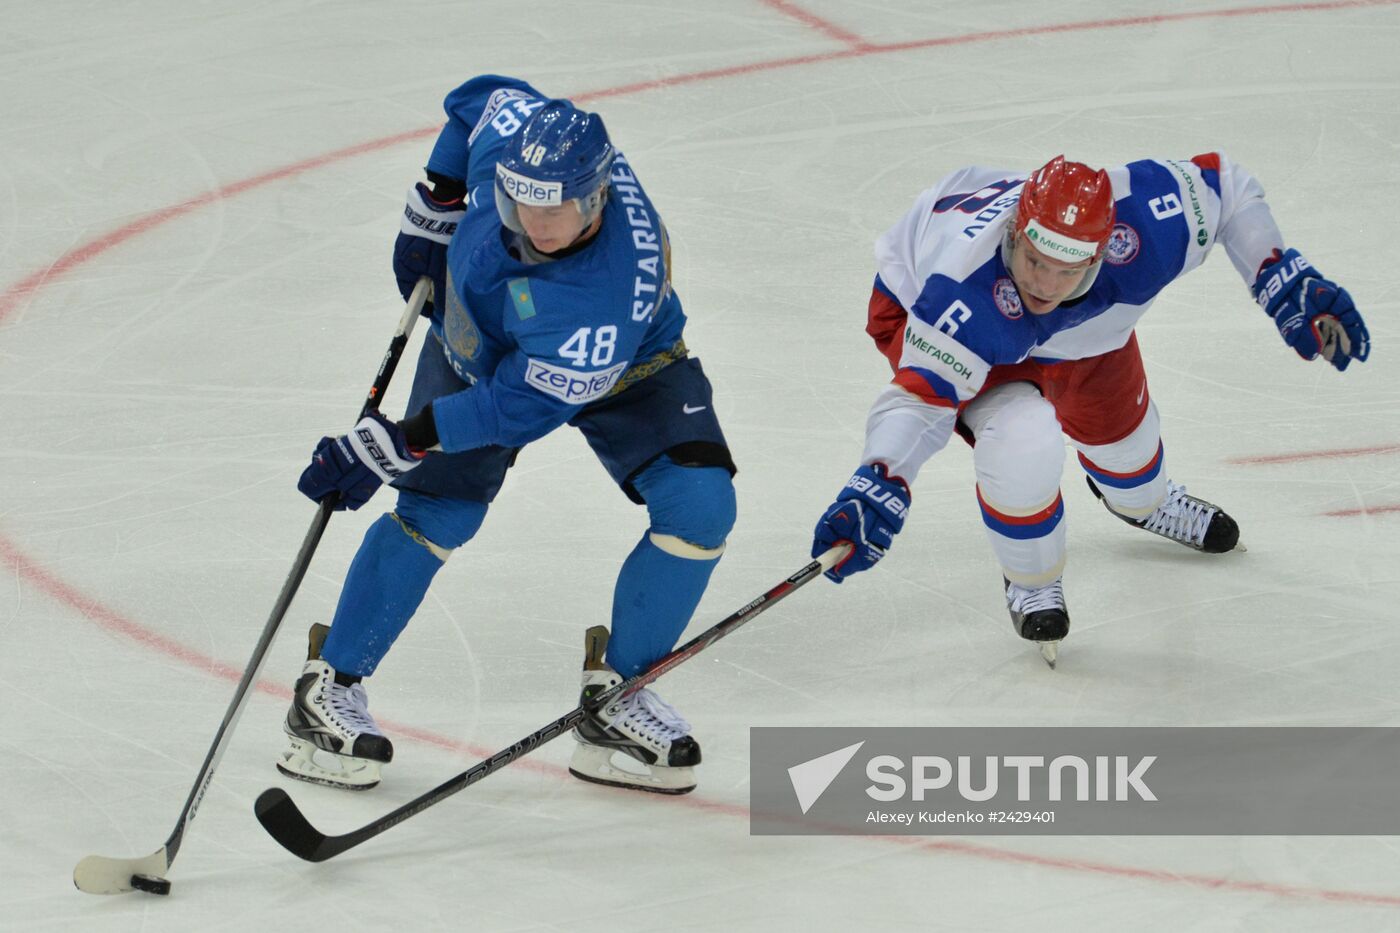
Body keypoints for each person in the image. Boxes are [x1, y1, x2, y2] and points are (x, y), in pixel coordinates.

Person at [279, 75, 737, 795]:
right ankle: (328, 686)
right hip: (481, 343)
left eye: (557, 209)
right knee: (438, 512)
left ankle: (618, 696)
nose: (536, 222)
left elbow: (510, 409)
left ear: (598, 194)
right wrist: (437, 198)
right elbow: (479, 99)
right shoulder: (527, 153)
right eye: (521, 200)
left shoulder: (598, 300)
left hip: (622, 362)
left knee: (700, 507)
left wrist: (401, 438)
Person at [811, 154, 1369, 664]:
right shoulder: (962, 293)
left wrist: (1279, 274)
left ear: (1106, 250)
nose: (1046, 285)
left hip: (1084, 335)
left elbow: (1228, 187)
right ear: (1014, 233)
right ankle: (1031, 579)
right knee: (1023, 439)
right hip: (939, 318)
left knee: (1137, 479)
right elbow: (920, 401)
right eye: (1034, 261)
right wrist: (879, 479)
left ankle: (1142, 502)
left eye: (1069, 268)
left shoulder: (1146, 223)